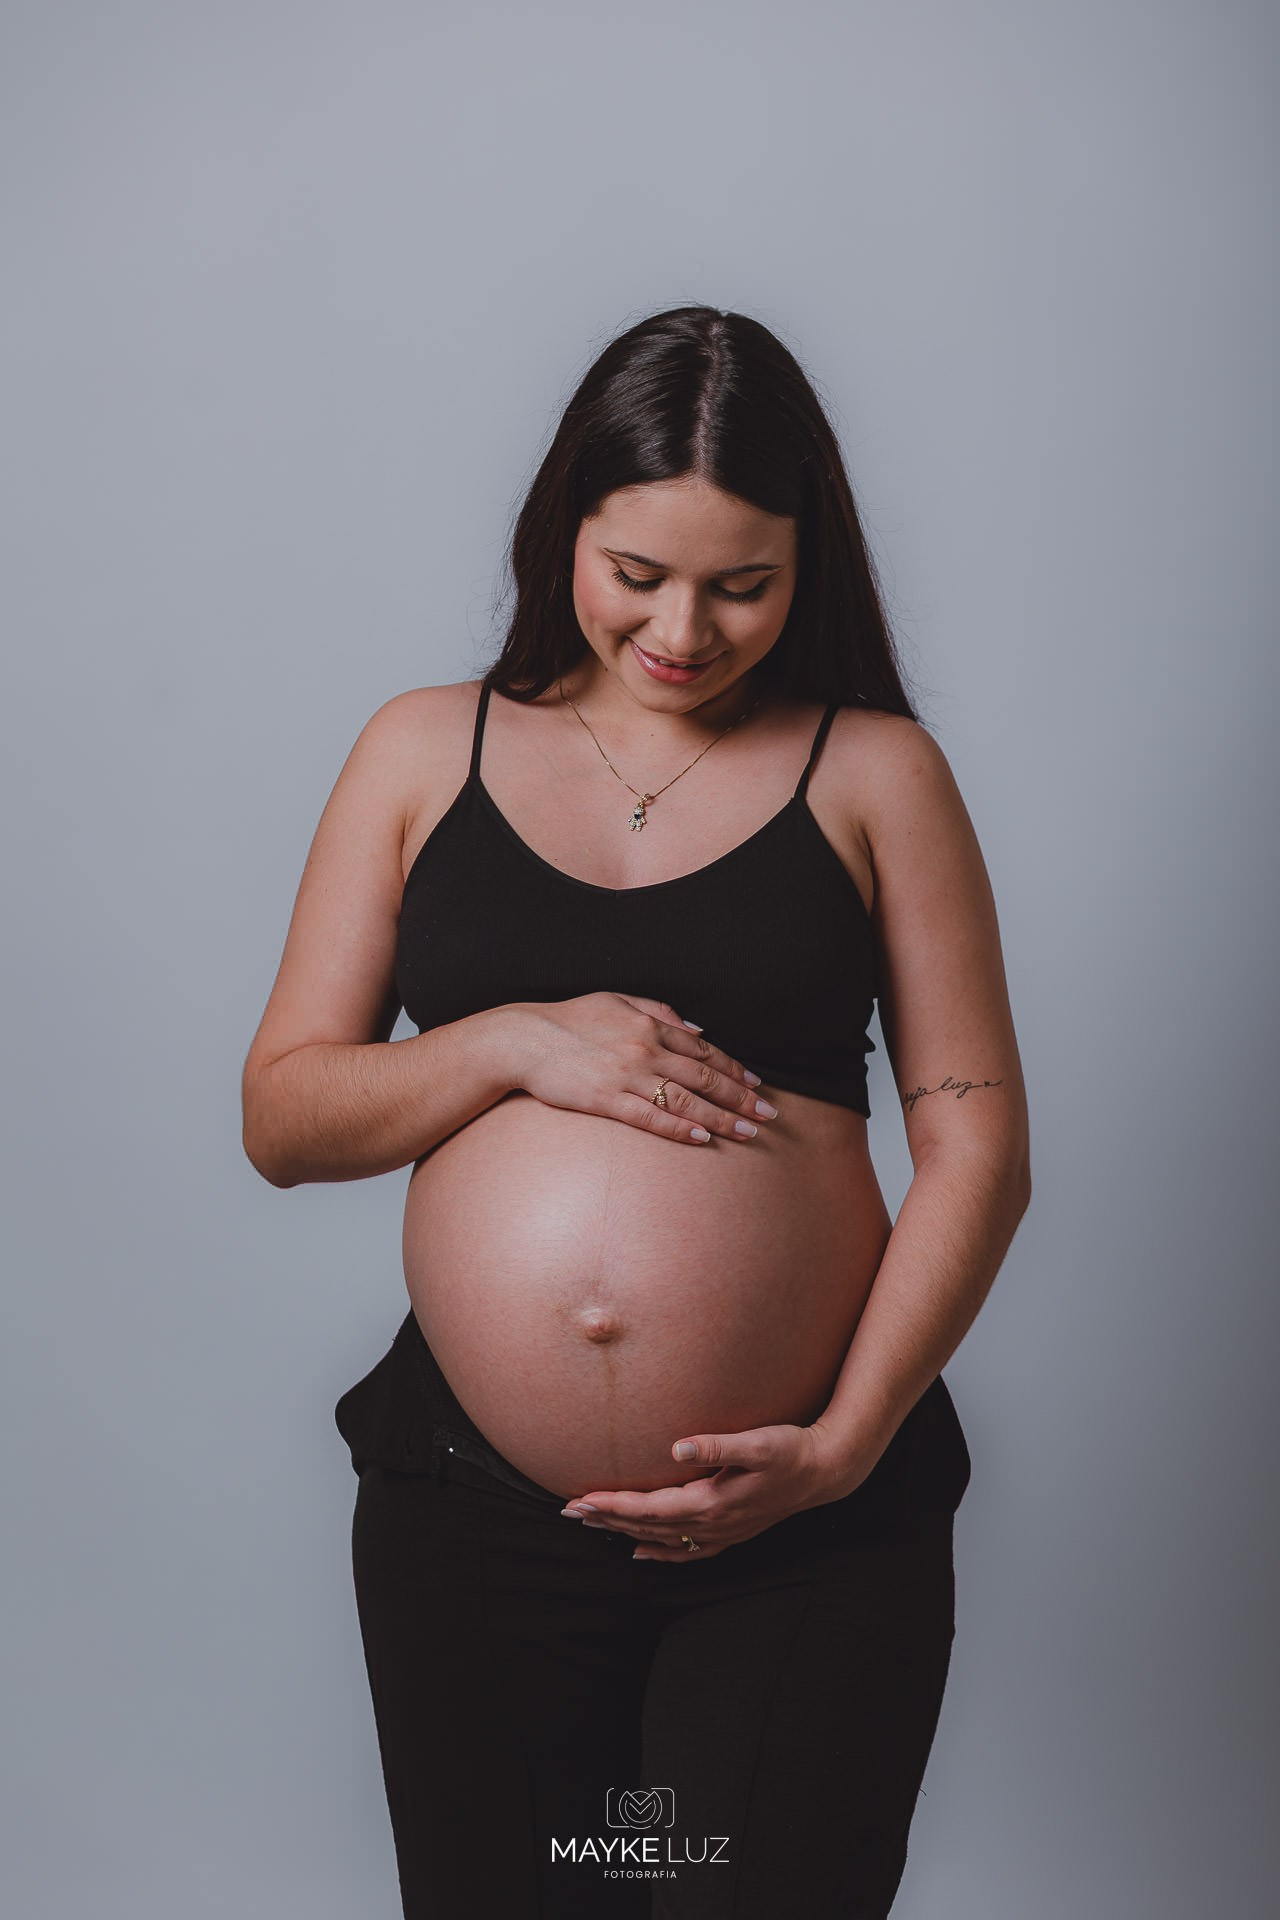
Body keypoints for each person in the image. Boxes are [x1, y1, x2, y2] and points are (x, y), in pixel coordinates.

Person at [242, 304, 1031, 1919]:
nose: (685, 629)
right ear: (564, 536)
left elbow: (978, 1144)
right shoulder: (420, 751)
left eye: (743, 583)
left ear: (807, 563)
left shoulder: (877, 774)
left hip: (800, 1519)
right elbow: (284, 1114)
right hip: (474, 1524)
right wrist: (513, 1043)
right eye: (638, 574)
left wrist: (842, 1444)